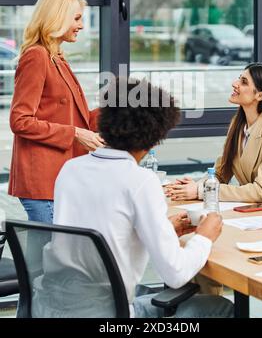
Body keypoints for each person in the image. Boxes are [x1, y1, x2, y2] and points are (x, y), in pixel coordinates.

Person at [45, 78, 233, 318]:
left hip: (56, 307)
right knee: (219, 308)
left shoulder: (70, 169)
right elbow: (176, 273)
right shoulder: (141, 181)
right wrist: (205, 236)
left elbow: (104, 231)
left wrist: (161, 229)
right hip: (110, 314)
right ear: (155, 137)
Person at [9, 0, 103, 223]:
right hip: (43, 181)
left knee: (44, 256)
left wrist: (119, 108)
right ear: (58, 17)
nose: (81, 25)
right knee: (50, 256)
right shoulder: (37, 56)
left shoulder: (57, 57)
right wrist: (74, 134)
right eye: (77, 18)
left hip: (59, 177)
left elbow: (76, 119)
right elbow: (20, 121)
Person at [166, 62, 262, 212]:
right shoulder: (238, 123)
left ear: (259, 95)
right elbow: (221, 172)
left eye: (244, 82)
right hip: (250, 209)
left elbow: (260, 191)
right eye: (239, 78)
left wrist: (201, 191)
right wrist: (197, 185)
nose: (235, 84)